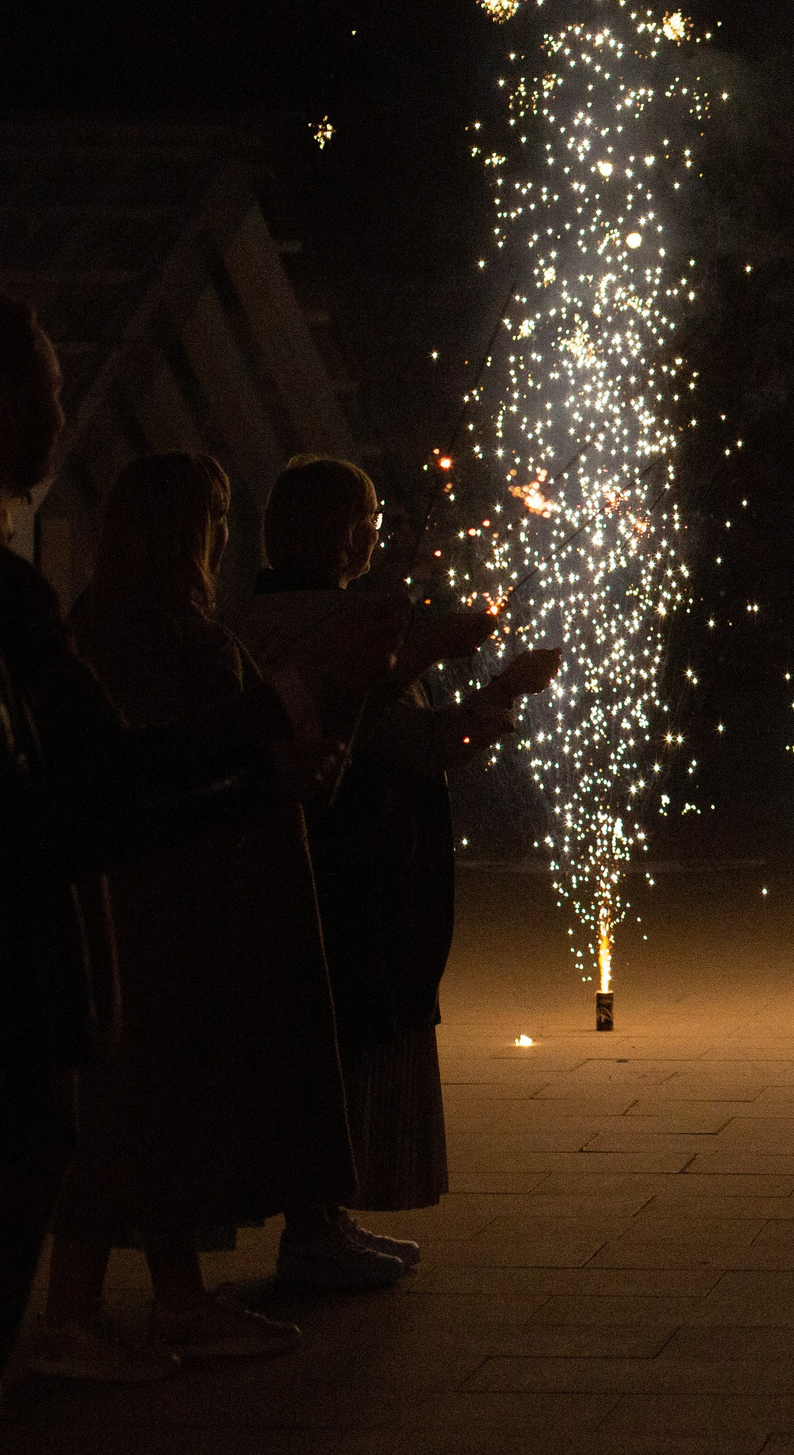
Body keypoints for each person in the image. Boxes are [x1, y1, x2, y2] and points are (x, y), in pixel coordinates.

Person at [0, 298, 391, 1375]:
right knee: (136, 1113)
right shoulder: (128, 633)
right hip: (151, 909)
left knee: (125, 1124)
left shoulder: (81, 623)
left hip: (111, 901)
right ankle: (92, 1317)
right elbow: (133, 766)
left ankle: (130, 1305)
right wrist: (288, 728)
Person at [232, 456, 559, 1272]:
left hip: (291, 861)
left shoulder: (251, 618)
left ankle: (316, 1216)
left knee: (318, 1035)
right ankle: (316, 1220)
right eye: (370, 518)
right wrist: (491, 693)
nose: (377, 534)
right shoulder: (342, 628)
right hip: (349, 869)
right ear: (347, 532)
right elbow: (405, 741)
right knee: (346, 1035)